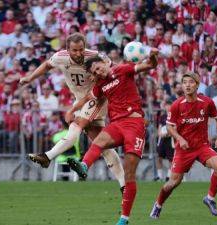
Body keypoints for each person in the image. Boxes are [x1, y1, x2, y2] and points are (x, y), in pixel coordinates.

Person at [18, 33, 125, 190]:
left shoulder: (94, 56)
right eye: (74, 50)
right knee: (102, 144)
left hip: (97, 97)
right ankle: (124, 184)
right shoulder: (60, 57)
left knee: (77, 125)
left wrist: (107, 75)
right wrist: (30, 78)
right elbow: (47, 65)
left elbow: (112, 67)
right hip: (81, 100)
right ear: (67, 49)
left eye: (81, 49)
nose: (78, 53)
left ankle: (48, 156)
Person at [65, 49, 159, 225]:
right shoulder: (100, 85)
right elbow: (87, 98)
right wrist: (71, 110)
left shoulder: (124, 69)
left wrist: (152, 54)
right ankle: (84, 166)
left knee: (129, 174)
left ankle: (124, 219)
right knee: (98, 141)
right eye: (94, 72)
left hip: (134, 125)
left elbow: (150, 64)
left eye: (99, 68)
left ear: (104, 62)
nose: (98, 73)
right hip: (117, 124)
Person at [150, 72, 217, 218]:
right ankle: (158, 204)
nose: (187, 85)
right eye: (184, 82)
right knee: (173, 183)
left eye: (191, 82)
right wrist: (180, 139)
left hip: (202, 146)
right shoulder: (177, 105)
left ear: (197, 85)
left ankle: (210, 198)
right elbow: (170, 126)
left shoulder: (207, 102)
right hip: (184, 149)